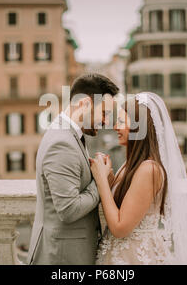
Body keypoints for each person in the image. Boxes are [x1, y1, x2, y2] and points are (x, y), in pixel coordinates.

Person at [90, 92, 187, 264]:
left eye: (121, 121)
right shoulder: (129, 165)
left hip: (136, 257)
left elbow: (119, 227)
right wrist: (109, 176)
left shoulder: (150, 169)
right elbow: (120, 205)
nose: (115, 127)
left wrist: (102, 181)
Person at [27, 73, 119, 265]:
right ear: (84, 104)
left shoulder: (69, 135)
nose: (105, 122)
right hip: (62, 257)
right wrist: (100, 181)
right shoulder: (62, 143)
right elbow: (68, 210)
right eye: (104, 113)